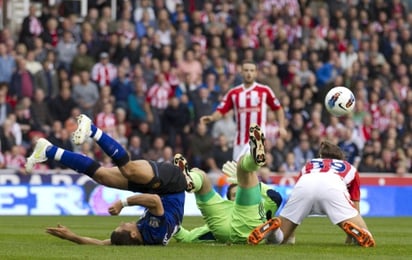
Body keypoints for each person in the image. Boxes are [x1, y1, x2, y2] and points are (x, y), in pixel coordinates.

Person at [25, 114, 194, 245]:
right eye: (123, 226)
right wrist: (123, 203)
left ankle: (48, 150)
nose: (122, 222)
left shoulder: (139, 238)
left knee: (102, 176)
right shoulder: (155, 233)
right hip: (172, 184)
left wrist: (72, 237)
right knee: (129, 170)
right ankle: (91, 129)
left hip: (156, 188)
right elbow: (155, 201)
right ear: (133, 234)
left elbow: (100, 244)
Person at [248, 141, 376, 248]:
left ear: (321, 156)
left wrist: (290, 233)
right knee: (366, 236)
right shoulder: (350, 167)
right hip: (333, 187)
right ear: (341, 158)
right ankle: (356, 233)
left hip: (305, 185)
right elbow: (355, 203)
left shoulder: (309, 165)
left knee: (280, 240)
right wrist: (350, 235)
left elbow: (297, 193)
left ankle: (274, 232)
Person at [174, 123, 280, 244]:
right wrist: (256, 186)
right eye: (234, 195)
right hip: (249, 227)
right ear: (228, 198)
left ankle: (192, 180)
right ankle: (255, 159)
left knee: (200, 175)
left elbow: (187, 237)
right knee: (242, 166)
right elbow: (275, 197)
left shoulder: (212, 225)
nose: (237, 198)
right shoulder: (263, 207)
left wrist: (170, 224)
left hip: (223, 229)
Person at [200, 60, 287, 161]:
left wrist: (281, 126)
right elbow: (221, 110)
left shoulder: (264, 90)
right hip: (239, 141)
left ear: (256, 73)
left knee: (251, 171)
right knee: (238, 173)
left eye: (251, 70)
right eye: (246, 70)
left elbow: (278, 108)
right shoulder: (234, 93)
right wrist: (211, 117)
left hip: (257, 141)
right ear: (241, 72)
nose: (249, 73)